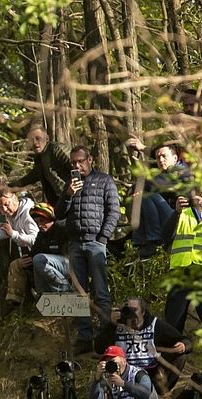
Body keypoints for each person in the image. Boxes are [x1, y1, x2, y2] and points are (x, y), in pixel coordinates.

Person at [55, 145, 120, 355]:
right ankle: (84, 337)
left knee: (101, 291)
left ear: (90, 159)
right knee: (78, 293)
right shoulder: (69, 185)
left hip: (96, 243)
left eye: (80, 161)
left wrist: (102, 238)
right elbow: (59, 214)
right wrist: (67, 195)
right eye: (73, 162)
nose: (77, 165)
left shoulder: (104, 180)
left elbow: (114, 211)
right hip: (75, 244)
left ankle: (105, 335)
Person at [163, 185, 202, 334]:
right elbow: (165, 237)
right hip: (180, 272)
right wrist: (176, 213)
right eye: (198, 192)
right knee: (172, 323)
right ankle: (171, 354)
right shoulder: (182, 214)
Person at [93, 296, 190, 389]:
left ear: (143, 312)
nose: (131, 314)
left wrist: (183, 346)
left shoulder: (154, 324)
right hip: (123, 373)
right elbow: (99, 348)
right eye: (128, 310)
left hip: (151, 372)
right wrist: (111, 325)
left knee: (182, 356)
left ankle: (161, 392)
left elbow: (184, 340)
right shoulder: (117, 326)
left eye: (134, 310)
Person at [126, 140, 192, 258]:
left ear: (175, 158)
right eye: (158, 158)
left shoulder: (180, 171)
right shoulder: (166, 171)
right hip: (169, 219)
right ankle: (138, 242)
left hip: (179, 220)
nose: (161, 160)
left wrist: (136, 187)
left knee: (145, 194)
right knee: (142, 198)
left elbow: (159, 183)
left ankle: (154, 240)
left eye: (164, 157)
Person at [0, 202, 68, 314]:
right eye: (37, 222)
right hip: (50, 267)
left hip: (71, 266)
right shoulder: (41, 236)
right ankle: (20, 301)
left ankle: (65, 291)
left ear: (50, 219)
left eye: (42, 221)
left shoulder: (62, 228)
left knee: (39, 260)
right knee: (20, 263)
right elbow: (34, 254)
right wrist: (24, 262)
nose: (40, 225)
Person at [7, 126, 75, 207]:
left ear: (47, 138)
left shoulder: (57, 149)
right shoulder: (39, 159)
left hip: (75, 198)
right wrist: (8, 187)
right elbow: (31, 177)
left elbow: (79, 168)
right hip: (61, 202)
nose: (35, 142)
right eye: (31, 140)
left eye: (38, 138)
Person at [0, 186, 38, 260]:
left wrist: (13, 234)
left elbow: (36, 240)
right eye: (0, 207)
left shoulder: (29, 213)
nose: (4, 209)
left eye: (6, 204)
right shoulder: (5, 217)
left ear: (15, 200)